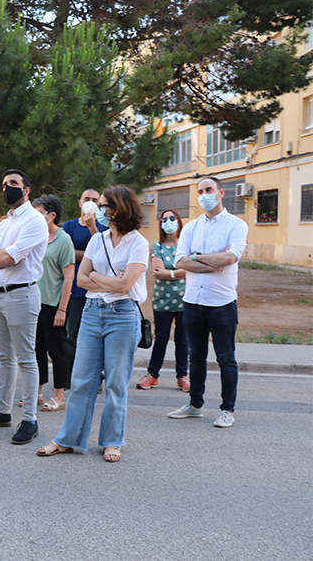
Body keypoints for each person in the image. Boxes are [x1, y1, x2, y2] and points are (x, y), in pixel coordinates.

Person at [37, 185, 148, 463]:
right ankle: (67, 439)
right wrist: (107, 280)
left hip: (123, 315)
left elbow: (126, 285)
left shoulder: (138, 243)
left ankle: (112, 440)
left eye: (103, 204)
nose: (98, 209)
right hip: (91, 311)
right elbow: (81, 279)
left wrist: (100, 278)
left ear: (119, 208)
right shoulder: (97, 240)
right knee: (81, 380)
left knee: (115, 382)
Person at [0, 169, 48, 446]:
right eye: (4, 184)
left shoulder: (35, 221)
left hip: (22, 295)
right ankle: (2, 411)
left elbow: (9, 258)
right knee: (5, 358)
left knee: (26, 358)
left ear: (27, 189)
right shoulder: (4, 224)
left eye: (13, 184)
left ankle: (30, 419)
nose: (7, 188)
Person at [168, 177, 248, 428]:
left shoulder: (236, 225)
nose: (204, 195)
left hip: (222, 303)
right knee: (196, 357)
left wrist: (199, 258)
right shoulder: (191, 227)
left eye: (209, 190)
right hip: (193, 301)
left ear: (221, 193)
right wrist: (212, 264)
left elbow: (231, 257)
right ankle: (195, 405)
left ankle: (227, 410)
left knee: (226, 358)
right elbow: (180, 261)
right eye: (200, 191)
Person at [136, 209, 190, 392]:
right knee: (161, 339)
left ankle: (182, 376)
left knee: (183, 340)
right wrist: (180, 271)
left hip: (185, 301)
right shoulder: (158, 247)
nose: (168, 222)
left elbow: (193, 268)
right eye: (164, 219)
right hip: (162, 302)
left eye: (172, 218)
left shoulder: (187, 245)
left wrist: (170, 273)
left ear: (179, 221)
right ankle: (152, 375)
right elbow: (158, 272)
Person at [32, 195, 75, 412]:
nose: (35, 218)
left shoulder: (63, 239)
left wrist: (62, 309)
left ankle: (59, 395)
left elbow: (69, 278)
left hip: (52, 304)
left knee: (57, 351)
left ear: (52, 215)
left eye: (39, 213)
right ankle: (37, 392)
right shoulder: (35, 237)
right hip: (33, 303)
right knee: (37, 349)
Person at [61, 189, 108, 378]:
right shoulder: (69, 226)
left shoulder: (104, 227)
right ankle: (70, 375)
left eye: (94, 200)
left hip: (98, 291)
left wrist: (82, 253)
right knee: (71, 336)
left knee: (95, 338)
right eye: (87, 199)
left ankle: (96, 377)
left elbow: (105, 253)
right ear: (80, 203)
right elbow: (64, 253)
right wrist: (90, 256)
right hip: (74, 290)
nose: (90, 202)